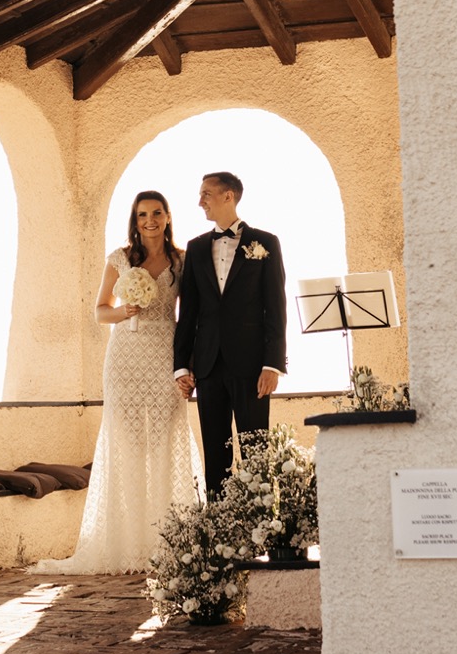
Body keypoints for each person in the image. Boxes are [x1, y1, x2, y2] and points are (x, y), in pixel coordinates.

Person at [39, 190, 200, 573]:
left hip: (165, 352)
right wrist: (124, 311)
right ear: (135, 219)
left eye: (157, 213)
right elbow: (99, 311)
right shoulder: (120, 258)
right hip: (125, 356)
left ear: (167, 216)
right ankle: (127, 542)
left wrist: (187, 366)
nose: (150, 220)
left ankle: (169, 539)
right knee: (127, 443)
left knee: (165, 438)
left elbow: (191, 317)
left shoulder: (182, 260)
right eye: (143, 214)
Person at [173, 171, 287, 498]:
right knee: (215, 454)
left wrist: (272, 365)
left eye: (206, 194)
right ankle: (219, 525)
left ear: (228, 196)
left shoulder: (265, 242)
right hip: (208, 366)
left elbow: (275, 308)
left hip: (252, 366)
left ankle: (261, 522)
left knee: (256, 452)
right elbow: (188, 312)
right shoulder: (195, 248)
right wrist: (181, 366)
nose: (200, 202)